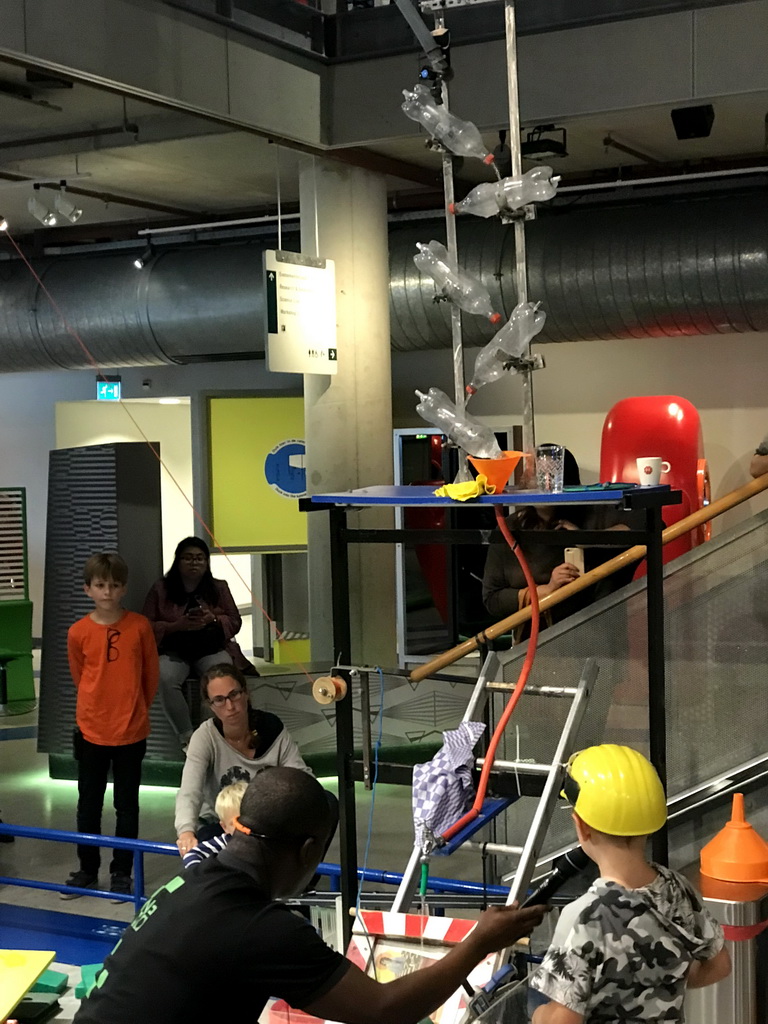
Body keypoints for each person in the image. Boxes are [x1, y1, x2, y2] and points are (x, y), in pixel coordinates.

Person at [73, 767, 547, 1024]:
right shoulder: (261, 929)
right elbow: (383, 1010)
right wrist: (480, 942)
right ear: (305, 851)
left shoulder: (194, 879)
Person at [529, 744, 730, 1023]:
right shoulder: (678, 889)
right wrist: (663, 984)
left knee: (534, 998)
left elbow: (562, 1020)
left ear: (581, 827)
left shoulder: (583, 917)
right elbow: (720, 966)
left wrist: (539, 1014)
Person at [62, 552, 159, 899]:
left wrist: (134, 710)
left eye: (114, 585)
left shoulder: (140, 627)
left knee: (127, 805)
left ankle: (122, 871)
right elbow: (80, 676)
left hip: (132, 731)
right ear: (88, 589)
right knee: (88, 804)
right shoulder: (78, 632)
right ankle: (87, 868)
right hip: (91, 731)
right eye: (100, 585)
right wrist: (97, 709)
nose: (107, 592)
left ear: (123, 589)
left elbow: (150, 676)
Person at [482, 449, 637, 638]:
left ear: (566, 478)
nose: (545, 482)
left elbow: (650, 528)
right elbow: (492, 599)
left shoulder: (594, 514)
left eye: (551, 474)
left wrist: (586, 540)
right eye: (535, 474)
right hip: (537, 643)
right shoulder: (511, 528)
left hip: (598, 637)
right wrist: (546, 590)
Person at [175, 663, 311, 857]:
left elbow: (301, 776)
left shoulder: (272, 728)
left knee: (327, 804)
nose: (230, 706)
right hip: (221, 823)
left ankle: (303, 880)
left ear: (246, 693)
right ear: (211, 706)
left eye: (234, 695)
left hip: (266, 820)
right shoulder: (205, 737)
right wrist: (186, 831)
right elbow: (189, 790)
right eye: (220, 700)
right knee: (208, 850)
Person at [142, 535, 256, 751]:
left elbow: (235, 621)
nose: (194, 562)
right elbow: (145, 624)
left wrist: (212, 618)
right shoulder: (161, 589)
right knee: (165, 677)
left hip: (210, 647)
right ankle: (187, 737)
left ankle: (210, 734)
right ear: (178, 561)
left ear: (206, 562)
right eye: (188, 558)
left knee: (222, 677)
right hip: (173, 647)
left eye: (199, 558)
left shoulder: (219, 587)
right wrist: (177, 625)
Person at [181, 779, 247, 868]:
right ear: (224, 827)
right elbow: (192, 855)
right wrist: (199, 874)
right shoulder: (224, 841)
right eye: (233, 823)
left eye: (246, 820)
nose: (241, 827)